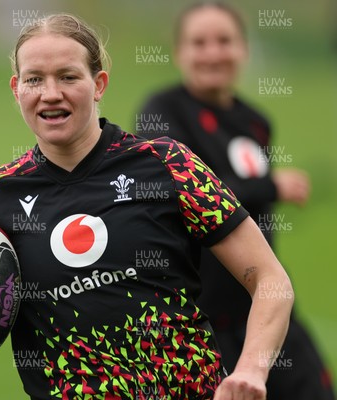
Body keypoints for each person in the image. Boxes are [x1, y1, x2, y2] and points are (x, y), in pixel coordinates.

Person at [0, 13, 294, 399]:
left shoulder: (168, 164)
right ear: (16, 89)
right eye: (35, 79)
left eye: (68, 76)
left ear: (98, 83)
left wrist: (250, 372)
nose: (51, 94)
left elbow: (271, 281)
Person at [136, 3, 334, 399]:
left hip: (267, 307)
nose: (213, 52)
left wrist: (266, 190)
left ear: (243, 48)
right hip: (204, 319)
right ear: (179, 53)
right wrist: (270, 186)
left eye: (224, 41)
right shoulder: (163, 112)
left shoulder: (255, 120)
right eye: (199, 42)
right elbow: (185, 192)